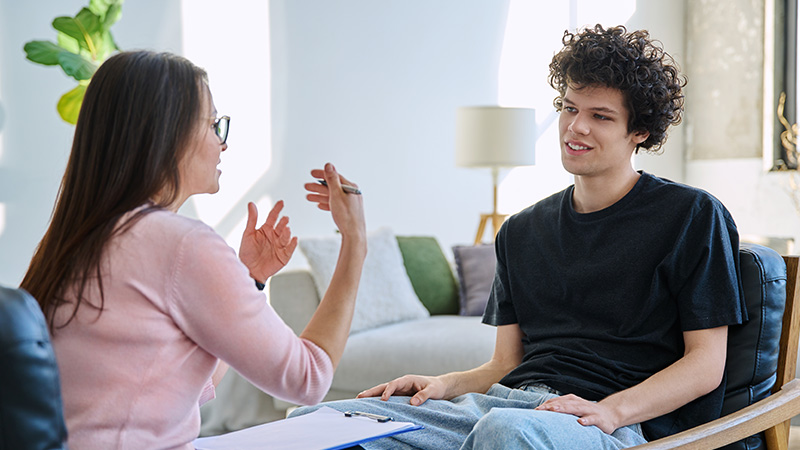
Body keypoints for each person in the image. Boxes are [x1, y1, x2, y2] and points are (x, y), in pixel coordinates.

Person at [289, 24, 746, 449]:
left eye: (600, 116)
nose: (575, 127)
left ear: (639, 131)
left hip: (609, 421)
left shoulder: (690, 215)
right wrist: (443, 384)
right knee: (315, 424)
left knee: (503, 432)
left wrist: (611, 410)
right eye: (569, 108)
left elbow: (706, 364)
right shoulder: (522, 231)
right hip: (503, 406)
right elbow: (505, 364)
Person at [20, 50, 367, 450]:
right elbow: (308, 378)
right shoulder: (182, 243)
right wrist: (355, 242)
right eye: (214, 124)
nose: (223, 144)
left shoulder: (73, 240)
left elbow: (178, 387)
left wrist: (249, 279)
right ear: (169, 133)